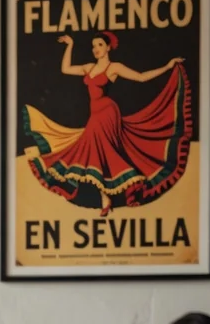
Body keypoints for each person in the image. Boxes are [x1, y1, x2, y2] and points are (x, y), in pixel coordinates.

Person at [23, 31, 189, 216]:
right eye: (94, 46)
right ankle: (105, 196)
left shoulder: (113, 67)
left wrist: (167, 66)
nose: (96, 49)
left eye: (100, 45)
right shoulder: (88, 67)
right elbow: (66, 69)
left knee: (100, 151)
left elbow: (141, 77)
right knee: (95, 153)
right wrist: (70, 45)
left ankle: (109, 195)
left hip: (108, 113)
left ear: (108, 47)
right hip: (95, 115)